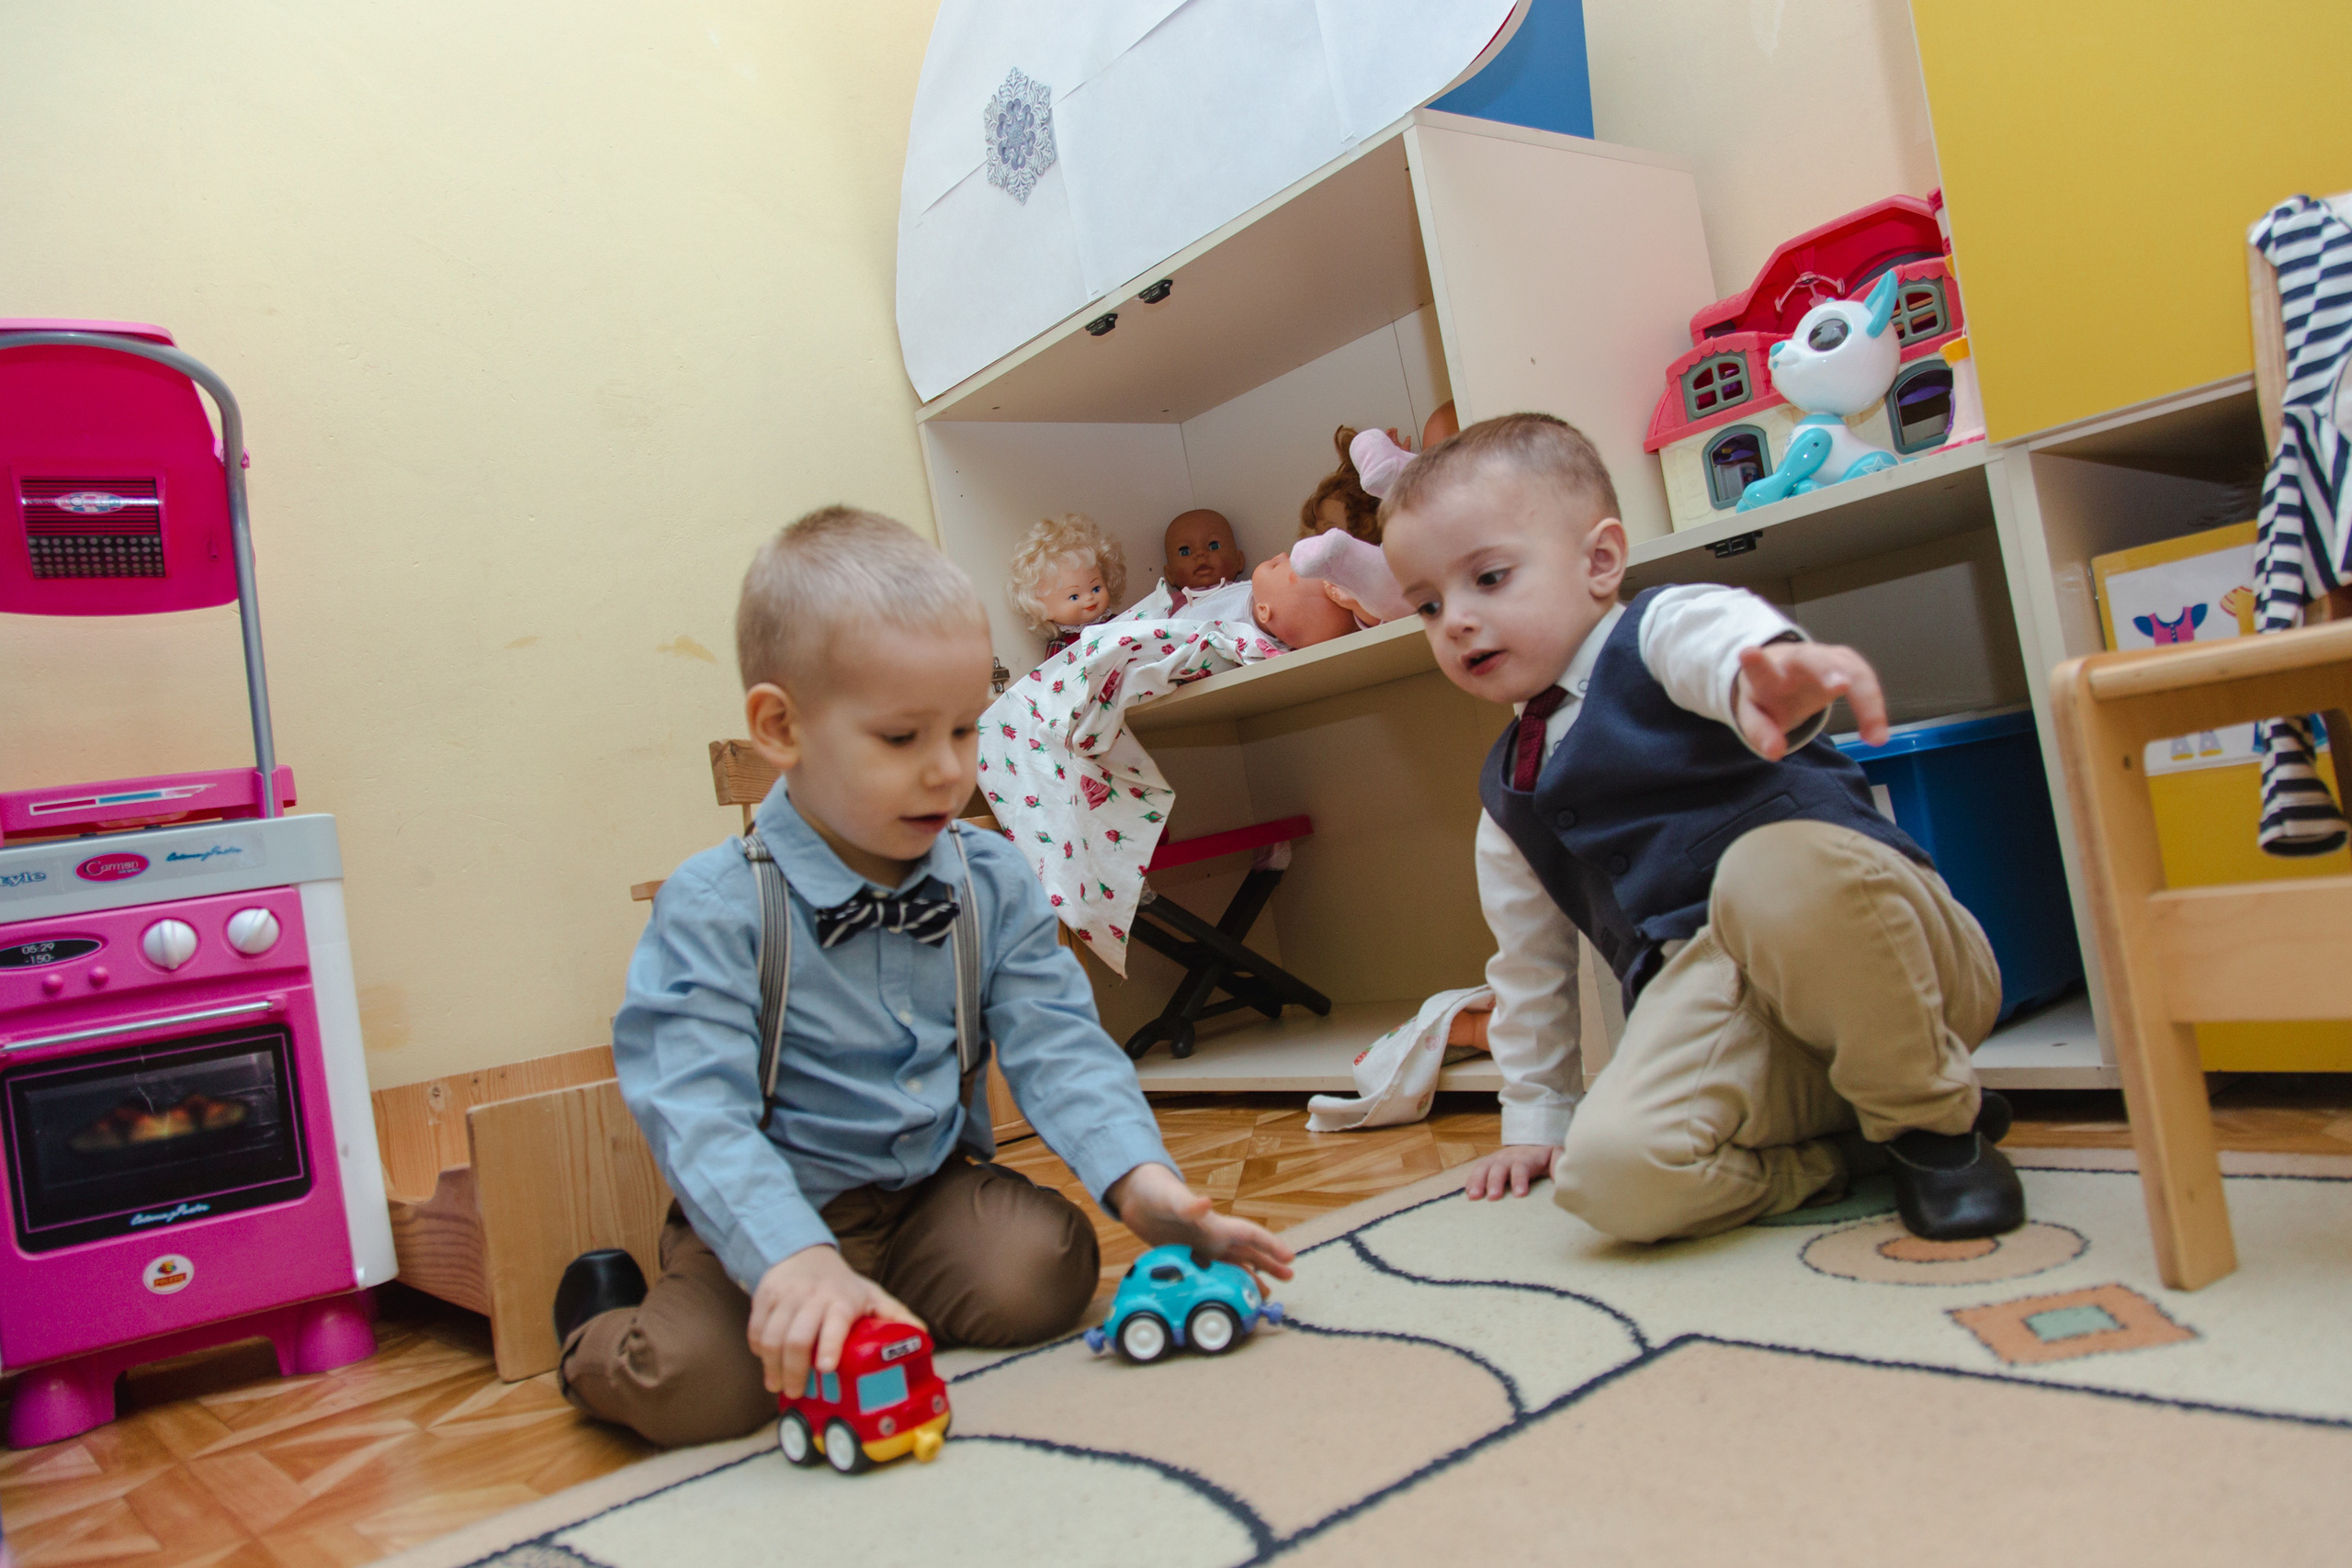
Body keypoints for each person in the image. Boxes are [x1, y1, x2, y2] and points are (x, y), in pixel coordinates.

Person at [556, 505, 1294, 1447]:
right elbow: (695, 1109)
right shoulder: (715, 905)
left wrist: (1141, 1180)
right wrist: (788, 1258)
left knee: (1045, 1272)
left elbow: (1060, 1045)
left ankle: (882, 1300)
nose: (948, 772)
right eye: (903, 738)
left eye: (965, 730)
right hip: (768, 1210)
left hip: (926, 1195)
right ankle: (591, 1327)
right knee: (695, 1388)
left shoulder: (991, 879)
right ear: (780, 727)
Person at [1379, 413, 2022, 1245]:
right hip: (1733, 1018)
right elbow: (1531, 968)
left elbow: (1719, 642)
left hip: (1895, 967)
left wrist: (1768, 677)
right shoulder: (1509, 797)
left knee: (1763, 871)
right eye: (1429, 605)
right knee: (1605, 1179)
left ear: (1600, 561)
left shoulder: (1663, 630)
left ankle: (1933, 1127)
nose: (1456, 620)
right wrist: (1538, 1116)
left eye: (1490, 578)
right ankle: (1846, 1152)